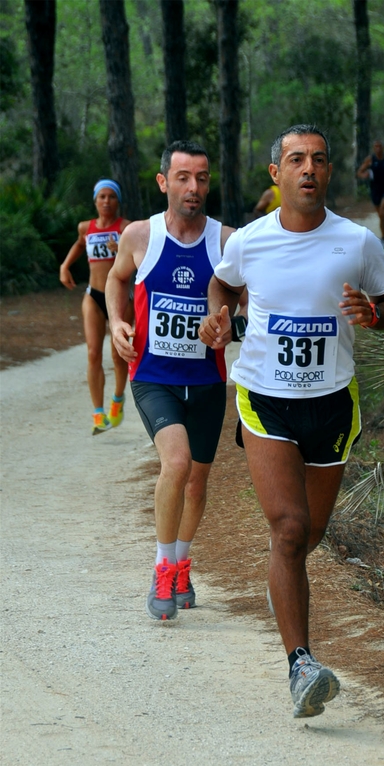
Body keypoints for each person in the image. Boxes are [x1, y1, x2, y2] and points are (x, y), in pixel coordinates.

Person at [199, 124, 384, 718]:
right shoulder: (252, 241)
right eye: (295, 159)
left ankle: (281, 584)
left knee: (307, 536)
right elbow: (222, 280)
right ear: (277, 174)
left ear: (329, 172)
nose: (307, 169)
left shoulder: (357, 242)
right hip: (264, 398)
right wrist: (219, 315)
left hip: (333, 404)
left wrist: (373, 312)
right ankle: (301, 665)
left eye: (317, 159)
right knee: (289, 530)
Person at [105, 141, 235, 620]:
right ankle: (162, 567)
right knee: (176, 463)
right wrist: (117, 322)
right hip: (154, 376)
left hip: (205, 379)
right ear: (163, 182)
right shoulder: (140, 236)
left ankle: (181, 563)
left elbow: (239, 294)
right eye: (183, 177)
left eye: (202, 178)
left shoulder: (226, 239)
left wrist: (225, 322)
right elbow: (115, 281)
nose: (194, 187)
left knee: (197, 483)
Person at [59, 179, 132, 435]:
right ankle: (98, 413)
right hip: (93, 295)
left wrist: (122, 248)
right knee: (93, 353)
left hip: (120, 298)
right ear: (95, 200)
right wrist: (65, 265)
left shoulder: (126, 228)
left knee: (117, 354)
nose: (106, 201)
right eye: (101, 196)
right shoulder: (85, 227)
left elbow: (140, 256)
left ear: (118, 200)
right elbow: (81, 243)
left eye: (111, 196)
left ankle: (118, 399)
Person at [356, 140, 384, 245]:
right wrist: (364, 175)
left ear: (383, 147)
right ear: (373, 148)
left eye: (380, 146)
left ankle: (383, 238)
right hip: (375, 189)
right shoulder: (370, 159)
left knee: (382, 212)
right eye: (376, 147)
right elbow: (359, 172)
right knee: (381, 215)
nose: (378, 149)